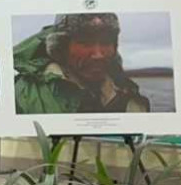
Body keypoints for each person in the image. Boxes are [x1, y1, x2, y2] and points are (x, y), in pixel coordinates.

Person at [13, 12, 151, 114]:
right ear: (61, 48)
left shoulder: (127, 93)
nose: (98, 54)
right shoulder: (24, 94)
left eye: (105, 42)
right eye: (85, 43)